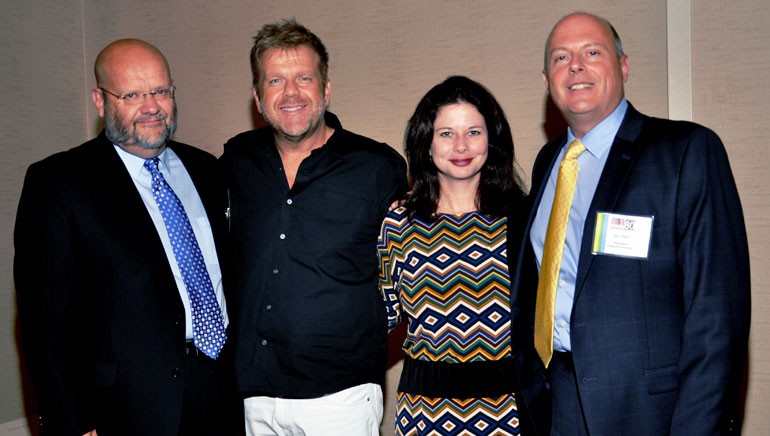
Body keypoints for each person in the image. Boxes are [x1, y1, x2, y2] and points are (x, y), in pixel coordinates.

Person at [509, 12, 751, 435]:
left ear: (623, 66)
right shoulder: (549, 161)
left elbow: (716, 320)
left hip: (650, 414)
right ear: (546, 80)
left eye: (593, 52)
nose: (576, 65)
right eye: (561, 57)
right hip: (556, 402)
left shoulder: (685, 152)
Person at [14, 39, 242, 435]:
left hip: (219, 390)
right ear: (100, 102)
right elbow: (44, 325)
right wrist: (71, 422)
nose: (151, 105)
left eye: (160, 91)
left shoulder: (206, 169)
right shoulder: (59, 184)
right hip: (124, 408)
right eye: (132, 94)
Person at [219, 19, 408, 435]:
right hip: (253, 395)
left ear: (325, 88)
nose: (290, 93)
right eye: (275, 80)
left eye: (304, 78)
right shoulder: (235, 162)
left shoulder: (376, 167)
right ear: (257, 96)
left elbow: (407, 270)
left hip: (339, 398)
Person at [378, 75, 546, 435]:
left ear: (492, 139)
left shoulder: (523, 218)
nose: (460, 145)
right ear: (426, 142)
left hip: (510, 413)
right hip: (425, 413)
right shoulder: (398, 222)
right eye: (446, 133)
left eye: (473, 132)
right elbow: (381, 315)